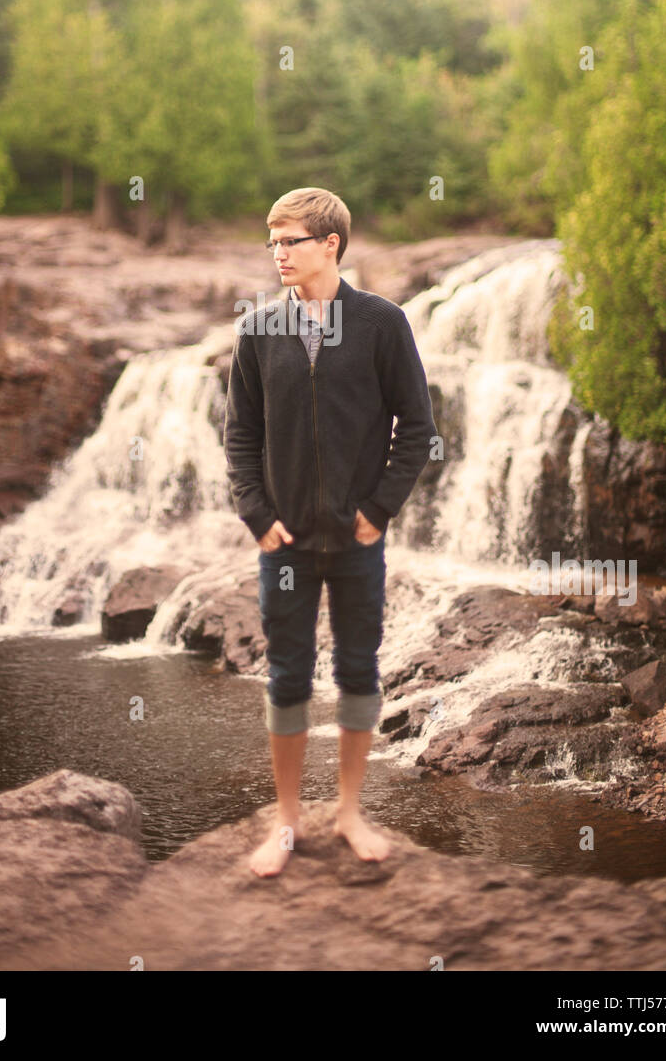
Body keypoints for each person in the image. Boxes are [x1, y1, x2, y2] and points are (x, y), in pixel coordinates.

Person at [223, 186, 436, 877]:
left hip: (357, 543)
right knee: (286, 678)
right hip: (283, 544)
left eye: (291, 240)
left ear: (331, 244)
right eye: (272, 240)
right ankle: (286, 820)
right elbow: (240, 438)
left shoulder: (381, 323)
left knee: (356, 672)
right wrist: (258, 517)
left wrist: (378, 511)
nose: (277, 252)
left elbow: (418, 431)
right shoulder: (256, 331)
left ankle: (347, 813)